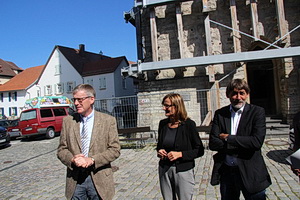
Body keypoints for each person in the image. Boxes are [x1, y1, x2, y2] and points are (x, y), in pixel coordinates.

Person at [209, 79, 271, 200]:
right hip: (228, 172)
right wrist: (243, 142)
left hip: (251, 171)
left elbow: (256, 142)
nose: (238, 97)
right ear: (228, 95)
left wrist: (228, 138)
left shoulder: (257, 112)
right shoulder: (220, 114)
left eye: (242, 93)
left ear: (247, 94)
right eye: (234, 93)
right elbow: (213, 143)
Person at [57, 84, 121, 200]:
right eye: (74, 99)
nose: (76, 103)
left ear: (92, 99)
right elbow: (61, 150)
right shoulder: (68, 121)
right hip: (75, 181)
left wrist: (92, 160)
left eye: (80, 99)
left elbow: (115, 150)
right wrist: (72, 159)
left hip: (99, 179)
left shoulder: (108, 121)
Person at [157, 93, 204, 200]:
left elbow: (199, 150)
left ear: (176, 106)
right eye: (163, 105)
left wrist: (180, 154)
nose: (164, 108)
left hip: (183, 171)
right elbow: (159, 145)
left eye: (167, 105)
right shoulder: (163, 124)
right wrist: (160, 151)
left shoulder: (189, 125)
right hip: (165, 169)